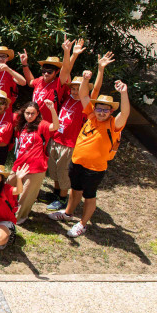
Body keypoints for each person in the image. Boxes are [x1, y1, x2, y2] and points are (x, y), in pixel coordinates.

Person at [49, 81, 130, 238]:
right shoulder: (91, 116)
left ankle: (82, 224)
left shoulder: (114, 125)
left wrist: (124, 93)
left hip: (95, 168)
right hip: (77, 162)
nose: (101, 112)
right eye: (99, 108)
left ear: (111, 111)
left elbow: (125, 113)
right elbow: (84, 95)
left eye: (105, 110)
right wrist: (85, 80)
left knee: (89, 196)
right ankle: (68, 213)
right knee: (75, 189)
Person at [44, 53, 110, 211]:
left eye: (78, 89)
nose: (75, 91)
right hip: (56, 139)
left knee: (64, 172)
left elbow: (97, 89)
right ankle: (56, 193)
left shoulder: (87, 106)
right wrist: (71, 54)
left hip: (70, 144)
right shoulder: (67, 97)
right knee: (54, 169)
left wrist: (100, 69)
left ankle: (62, 198)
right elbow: (65, 72)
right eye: (73, 88)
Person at [10, 100, 59, 224]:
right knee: (8, 186)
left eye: (33, 113)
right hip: (19, 164)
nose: (30, 116)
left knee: (26, 195)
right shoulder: (22, 125)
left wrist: (52, 109)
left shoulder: (42, 125)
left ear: (37, 114)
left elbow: (55, 126)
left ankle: (19, 216)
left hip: (35, 167)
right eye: (27, 113)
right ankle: (6, 209)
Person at [21, 38, 79, 122]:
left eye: (49, 71)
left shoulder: (58, 83)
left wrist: (67, 52)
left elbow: (66, 69)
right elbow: (30, 82)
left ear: (57, 72)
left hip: (48, 124)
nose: (46, 74)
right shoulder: (40, 80)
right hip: (33, 121)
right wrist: (24, 64)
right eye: (44, 70)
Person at [0, 46, 27, 111]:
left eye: (3, 56)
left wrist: (8, 69)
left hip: (4, 111)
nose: (0, 59)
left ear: (7, 58)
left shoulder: (9, 72)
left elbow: (23, 82)